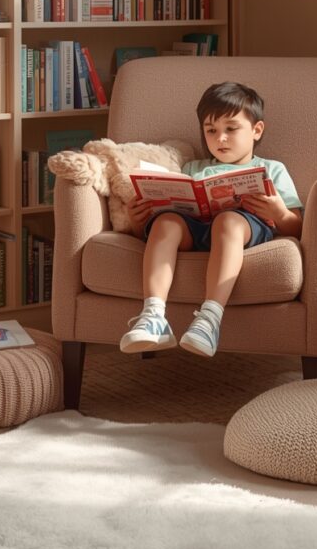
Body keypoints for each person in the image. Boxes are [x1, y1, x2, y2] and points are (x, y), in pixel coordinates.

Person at [119, 81, 303, 359]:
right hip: (195, 229)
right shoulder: (192, 168)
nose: (221, 138)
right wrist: (136, 222)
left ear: (256, 130)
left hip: (241, 229)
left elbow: (297, 226)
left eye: (231, 129)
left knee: (228, 221)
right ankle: (153, 315)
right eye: (211, 131)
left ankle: (209, 320)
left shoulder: (271, 169)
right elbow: (153, 228)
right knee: (166, 222)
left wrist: (279, 213)